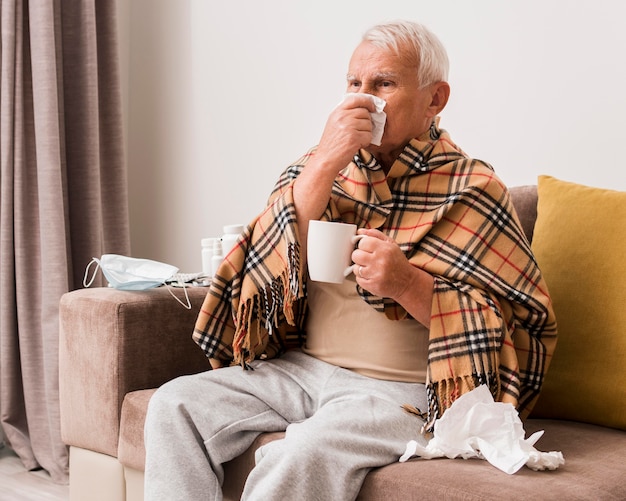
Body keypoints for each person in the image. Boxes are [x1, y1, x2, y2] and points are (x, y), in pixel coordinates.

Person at [144, 20, 557, 500]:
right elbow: (259, 268)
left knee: (304, 451)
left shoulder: (474, 189)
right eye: (353, 84)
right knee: (175, 403)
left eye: (384, 84)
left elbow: (512, 329)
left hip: (401, 390)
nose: (363, 99)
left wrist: (407, 284)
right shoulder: (318, 169)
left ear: (435, 99)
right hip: (301, 370)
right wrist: (324, 160)